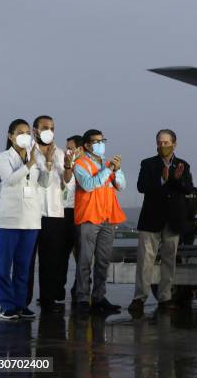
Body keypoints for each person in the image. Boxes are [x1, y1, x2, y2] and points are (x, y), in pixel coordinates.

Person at [128, 129, 194, 313]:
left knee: (169, 262)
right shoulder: (148, 164)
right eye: (159, 142)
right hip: (151, 219)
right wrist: (161, 180)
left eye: (166, 142)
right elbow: (142, 187)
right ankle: (139, 298)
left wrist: (176, 180)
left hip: (173, 220)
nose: (162, 146)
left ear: (174, 143)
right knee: (145, 262)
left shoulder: (183, 165)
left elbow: (189, 188)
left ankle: (165, 298)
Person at [0, 119, 52, 319]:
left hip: (31, 221)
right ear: (10, 136)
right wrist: (31, 163)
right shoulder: (3, 157)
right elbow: (10, 179)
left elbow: (44, 183)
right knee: (4, 266)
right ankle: (6, 305)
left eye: (28, 132)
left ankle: (21, 304)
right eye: (20, 132)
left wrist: (48, 165)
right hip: (8, 220)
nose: (25, 135)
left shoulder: (36, 156)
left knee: (23, 267)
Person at [73, 129, 126, 313]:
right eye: (96, 141)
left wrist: (116, 170)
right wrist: (109, 169)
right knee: (85, 260)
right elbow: (88, 185)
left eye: (102, 140)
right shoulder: (80, 164)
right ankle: (81, 299)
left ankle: (99, 297)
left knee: (103, 261)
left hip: (107, 217)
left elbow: (121, 186)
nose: (100, 144)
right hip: (89, 217)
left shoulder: (108, 164)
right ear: (87, 145)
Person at [26, 116, 74, 313]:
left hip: (54, 213)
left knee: (51, 259)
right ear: (35, 130)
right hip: (32, 212)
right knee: (28, 260)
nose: (49, 131)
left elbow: (67, 180)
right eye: (45, 127)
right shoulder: (28, 151)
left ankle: (47, 298)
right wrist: (44, 160)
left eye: (52, 128)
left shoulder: (59, 153)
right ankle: (23, 301)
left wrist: (69, 166)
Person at [63, 135, 84, 303]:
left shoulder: (85, 166)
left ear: (80, 149)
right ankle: (57, 290)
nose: (68, 150)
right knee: (63, 254)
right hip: (65, 212)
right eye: (67, 147)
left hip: (81, 213)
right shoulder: (66, 165)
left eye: (71, 147)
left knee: (81, 254)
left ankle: (81, 287)